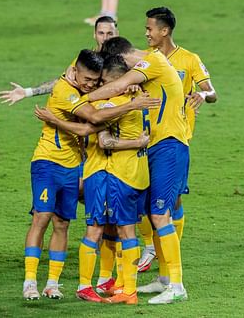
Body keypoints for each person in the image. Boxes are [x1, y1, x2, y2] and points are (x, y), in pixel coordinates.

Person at [22, 49, 158, 301]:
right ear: (74, 71)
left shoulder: (94, 94)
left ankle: (53, 283)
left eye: (97, 82)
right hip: (48, 161)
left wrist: (128, 98)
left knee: (63, 223)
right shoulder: (66, 91)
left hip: (76, 166)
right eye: (88, 80)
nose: (91, 86)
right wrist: (130, 104)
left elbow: (93, 123)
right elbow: (91, 123)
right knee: (42, 218)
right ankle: (30, 281)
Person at [84, 36, 189, 304]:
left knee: (160, 215)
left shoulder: (150, 62)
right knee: (150, 216)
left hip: (168, 147)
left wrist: (79, 101)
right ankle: (163, 279)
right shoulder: (145, 79)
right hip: (153, 150)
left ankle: (177, 285)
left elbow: (118, 85)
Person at [137, 6, 218, 284]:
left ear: (165, 30)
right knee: (148, 199)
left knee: (170, 201)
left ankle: (170, 254)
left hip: (175, 138)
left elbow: (212, 91)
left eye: (150, 28)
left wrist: (202, 95)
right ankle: (155, 247)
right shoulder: (146, 60)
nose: (146, 33)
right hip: (146, 138)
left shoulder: (189, 59)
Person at [0, 16, 119, 105]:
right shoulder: (86, 58)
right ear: (94, 34)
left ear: (117, 34)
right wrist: (28, 92)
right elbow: (63, 81)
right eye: (101, 33)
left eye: (109, 33)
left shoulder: (124, 60)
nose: (105, 38)